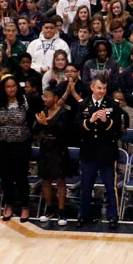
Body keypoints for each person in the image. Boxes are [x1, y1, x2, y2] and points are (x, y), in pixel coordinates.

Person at [0, 74, 37, 222]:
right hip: (1, 144)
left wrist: (29, 131)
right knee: (6, 176)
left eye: (13, 86)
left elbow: (33, 117)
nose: (11, 89)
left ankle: (25, 207)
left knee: (21, 176)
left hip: (21, 144)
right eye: (8, 87)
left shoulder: (26, 101)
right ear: (3, 88)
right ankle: (8, 205)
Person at [77, 76, 125, 229]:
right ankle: (83, 214)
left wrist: (107, 122)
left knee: (111, 187)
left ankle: (113, 216)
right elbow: (76, 128)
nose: (102, 91)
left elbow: (118, 130)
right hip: (89, 152)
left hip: (107, 152)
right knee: (86, 185)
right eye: (99, 88)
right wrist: (89, 122)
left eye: (104, 88)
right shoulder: (83, 104)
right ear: (92, 87)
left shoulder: (113, 104)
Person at [34, 82, 72, 226]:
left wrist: (46, 124)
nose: (44, 99)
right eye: (43, 96)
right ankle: (49, 208)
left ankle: (62, 210)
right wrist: (39, 124)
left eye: (47, 96)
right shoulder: (42, 111)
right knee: (46, 180)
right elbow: (35, 131)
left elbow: (64, 132)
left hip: (59, 148)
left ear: (55, 98)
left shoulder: (63, 113)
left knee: (60, 180)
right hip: (45, 148)